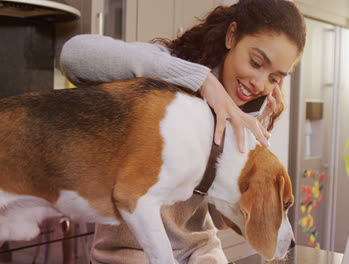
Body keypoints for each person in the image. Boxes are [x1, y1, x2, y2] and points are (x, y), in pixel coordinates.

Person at [60, 0, 306, 263]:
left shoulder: (244, 112)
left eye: (274, 78)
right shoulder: (169, 71)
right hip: (129, 254)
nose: (259, 84)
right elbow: (73, 55)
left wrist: (244, 150)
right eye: (256, 62)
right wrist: (201, 80)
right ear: (232, 36)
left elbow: (219, 218)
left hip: (200, 251)